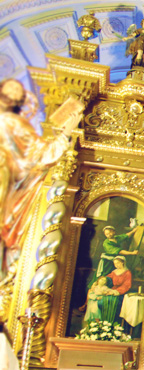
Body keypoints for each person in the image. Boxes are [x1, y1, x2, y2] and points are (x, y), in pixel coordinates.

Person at [0, 78, 80, 272]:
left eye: (17, 90)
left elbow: (41, 155)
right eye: (10, 88)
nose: (13, 92)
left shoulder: (15, 124)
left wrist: (65, 133)